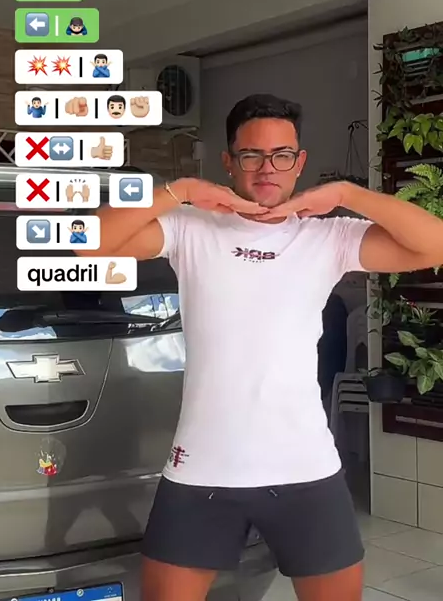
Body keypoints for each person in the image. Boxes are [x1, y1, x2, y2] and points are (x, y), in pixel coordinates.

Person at [85, 93, 443, 601]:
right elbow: (88, 241)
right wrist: (181, 190)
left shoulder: (330, 237)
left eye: (281, 155)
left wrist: (347, 193)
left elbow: (435, 244)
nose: (267, 168)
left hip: (305, 467)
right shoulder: (190, 229)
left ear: (299, 162)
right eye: (252, 155)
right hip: (202, 468)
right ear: (229, 162)